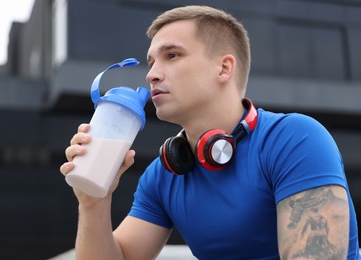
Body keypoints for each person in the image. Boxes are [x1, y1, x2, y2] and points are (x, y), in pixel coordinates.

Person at [60, 5, 361, 259]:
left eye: (173, 55)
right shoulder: (163, 175)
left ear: (224, 68)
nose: (152, 74)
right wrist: (93, 202)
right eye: (151, 62)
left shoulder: (296, 139)